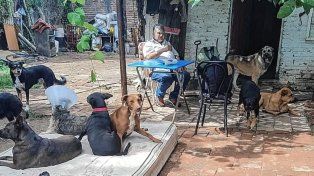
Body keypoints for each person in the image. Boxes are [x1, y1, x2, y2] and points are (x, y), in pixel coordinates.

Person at [143, 24, 191, 107]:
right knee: (167, 77)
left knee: (185, 75)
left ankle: (173, 96)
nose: (161, 35)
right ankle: (159, 95)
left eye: (163, 33)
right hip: (157, 70)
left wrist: (179, 62)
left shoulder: (167, 43)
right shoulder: (149, 44)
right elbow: (148, 57)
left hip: (173, 69)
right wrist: (162, 50)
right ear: (153, 34)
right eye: (159, 33)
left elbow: (176, 55)